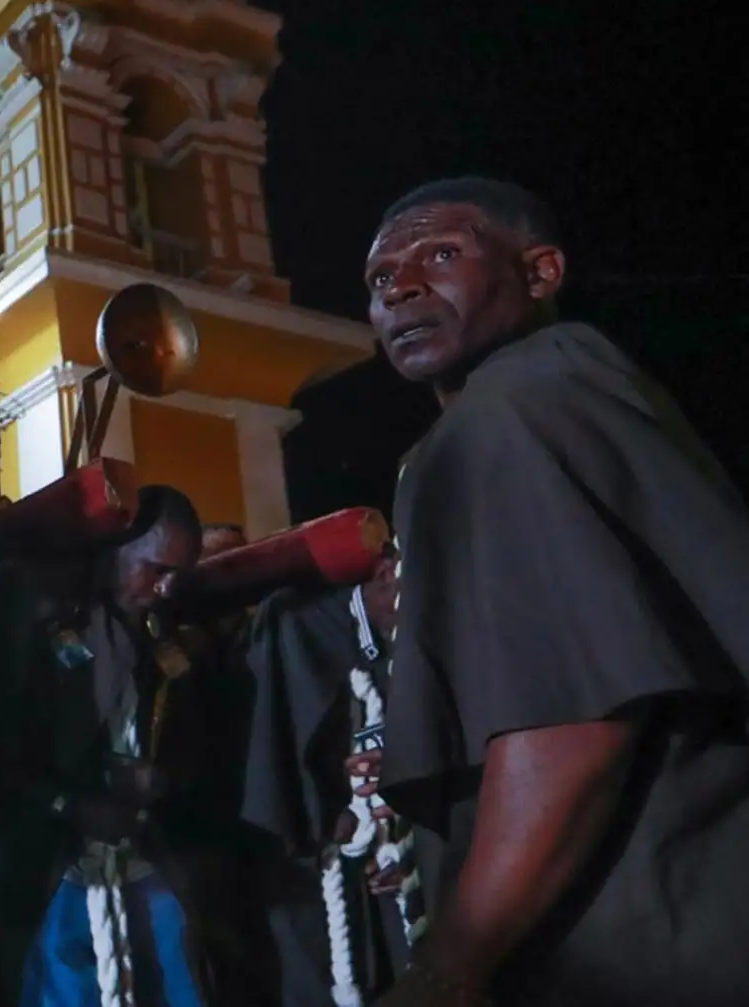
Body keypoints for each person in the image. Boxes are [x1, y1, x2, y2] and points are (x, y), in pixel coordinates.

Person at [363, 177, 749, 1006]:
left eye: (439, 253)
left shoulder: (513, 407)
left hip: (631, 940)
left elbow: (571, 720)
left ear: (540, 273)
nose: (400, 286)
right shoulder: (558, 393)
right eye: (380, 278)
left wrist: (451, 965)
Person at [0, 485, 248, 1007]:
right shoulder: (40, 624)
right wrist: (69, 804)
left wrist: (161, 780)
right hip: (52, 869)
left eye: (177, 576)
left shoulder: (162, 639)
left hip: (142, 858)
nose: (165, 589)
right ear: (117, 553)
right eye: (155, 570)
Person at [240, 545, 419, 1005]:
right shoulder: (297, 625)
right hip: (325, 859)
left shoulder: (413, 637)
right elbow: (280, 756)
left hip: (398, 855)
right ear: (385, 575)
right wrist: (325, 812)